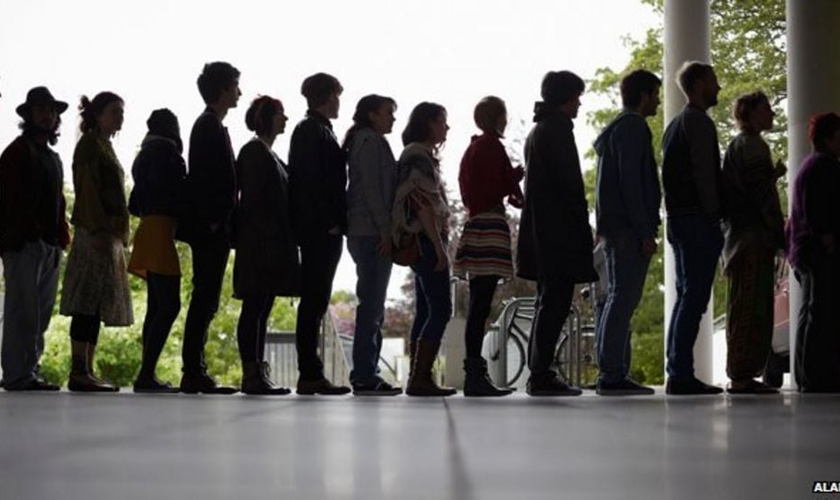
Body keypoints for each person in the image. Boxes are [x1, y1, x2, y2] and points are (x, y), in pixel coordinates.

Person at [517, 71, 598, 397]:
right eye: (576, 96)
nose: (579, 103)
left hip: (542, 232)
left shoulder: (538, 131)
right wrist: (584, 226)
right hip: (559, 233)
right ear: (565, 98)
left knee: (546, 301)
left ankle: (540, 371)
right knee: (556, 302)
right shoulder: (559, 131)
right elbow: (570, 187)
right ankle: (541, 374)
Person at [593, 69, 662, 396]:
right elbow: (632, 185)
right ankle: (612, 374)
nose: (659, 102)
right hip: (629, 231)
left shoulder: (614, 132)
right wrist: (645, 231)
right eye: (656, 94)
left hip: (613, 229)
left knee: (616, 299)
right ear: (644, 95)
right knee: (623, 299)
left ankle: (612, 371)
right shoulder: (634, 128)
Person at [60, 92, 132, 392]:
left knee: (97, 302)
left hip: (107, 233)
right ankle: (79, 370)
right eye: (115, 111)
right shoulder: (90, 145)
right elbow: (88, 190)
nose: (120, 117)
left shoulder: (104, 145)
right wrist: (101, 230)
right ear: (99, 114)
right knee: (86, 302)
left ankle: (87, 368)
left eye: (121, 112)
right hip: (95, 233)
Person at [0, 87, 70, 391]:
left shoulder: (52, 157)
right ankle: (17, 374)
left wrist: (60, 238)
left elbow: (58, 201)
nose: (48, 115)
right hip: (24, 244)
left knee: (39, 313)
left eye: (52, 111)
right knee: (21, 310)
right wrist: (25, 234)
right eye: (42, 110)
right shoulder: (16, 152)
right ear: (29, 114)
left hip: (49, 245)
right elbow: (7, 199)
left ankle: (29, 370)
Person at [661, 61, 724, 395]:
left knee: (686, 297)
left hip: (679, 220)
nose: (719, 87)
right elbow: (704, 174)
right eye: (713, 81)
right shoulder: (698, 123)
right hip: (697, 220)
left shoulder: (675, 125)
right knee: (694, 298)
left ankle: (678, 370)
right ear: (699, 84)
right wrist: (715, 217)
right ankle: (681, 374)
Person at [453, 96, 522, 397]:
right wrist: (514, 178)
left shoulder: (473, 148)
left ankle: (474, 373)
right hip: (490, 227)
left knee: (478, 304)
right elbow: (499, 185)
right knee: (481, 305)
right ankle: (475, 375)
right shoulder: (492, 147)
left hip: (475, 226)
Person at [179, 62, 241, 394]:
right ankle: (193, 369)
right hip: (210, 229)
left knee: (207, 297)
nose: (239, 92)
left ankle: (195, 368)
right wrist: (215, 221)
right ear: (221, 90)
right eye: (234, 86)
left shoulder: (210, 125)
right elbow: (207, 179)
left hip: (212, 227)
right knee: (205, 297)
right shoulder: (208, 127)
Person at [287, 73, 350, 395]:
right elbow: (313, 182)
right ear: (328, 96)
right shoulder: (313, 131)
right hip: (319, 229)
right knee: (314, 300)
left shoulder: (315, 130)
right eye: (337, 95)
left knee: (316, 300)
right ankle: (309, 372)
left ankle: (311, 372)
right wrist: (329, 221)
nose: (340, 100)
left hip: (318, 227)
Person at [233, 96, 299, 395]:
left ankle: (255, 370)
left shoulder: (264, 153)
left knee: (260, 308)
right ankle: (252, 372)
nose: (285, 119)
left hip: (266, 243)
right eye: (280, 114)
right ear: (268, 118)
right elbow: (257, 203)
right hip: (261, 245)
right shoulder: (255, 153)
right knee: (255, 307)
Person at [720, 92, 785, 394]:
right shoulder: (753, 147)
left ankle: (742, 372)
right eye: (766, 109)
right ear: (751, 113)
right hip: (752, 239)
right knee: (750, 306)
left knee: (744, 305)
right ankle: (743, 375)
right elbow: (757, 196)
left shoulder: (740, 145)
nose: (771, 113)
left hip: (741, 239)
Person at [394, 102, 456, 397]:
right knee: (441, 308)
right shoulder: (418, 157)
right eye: (442, 121)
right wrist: (439, 247)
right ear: (429, 123)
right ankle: (420, 376)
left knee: (425, 310)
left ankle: (418, 377)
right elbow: (422, 205)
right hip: (426, 242)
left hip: (422, 243)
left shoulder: (418, 155)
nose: (447, 127)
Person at [343, 94, 402, 396]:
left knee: (374, 305)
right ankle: (365, 374)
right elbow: (371, 190)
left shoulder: (370, 141)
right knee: (371, 306)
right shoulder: (369, 142)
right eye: (388, 112)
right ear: (371, 115)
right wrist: (385, 231)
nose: (393, 118)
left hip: (368, 231)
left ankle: (368, 372)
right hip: (370, 232)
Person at [127, 109, 186, 393]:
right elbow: (176, 194)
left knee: (156, 305)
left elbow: (132, 203)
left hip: (148, 229)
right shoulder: (168, 154)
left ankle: (146, 373)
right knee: (169, 304)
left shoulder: (144, 155)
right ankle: (146, 373)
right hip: (162, 230)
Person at [786, 112, 840, 393]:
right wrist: (827, 237)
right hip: (816, 250)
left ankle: (809, 377)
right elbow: (817, 208)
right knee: (820, 313)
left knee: (811, 312)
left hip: (804, 250)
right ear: (831, 137)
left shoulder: (811, 165)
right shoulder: (824, 165)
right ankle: (818, 377)